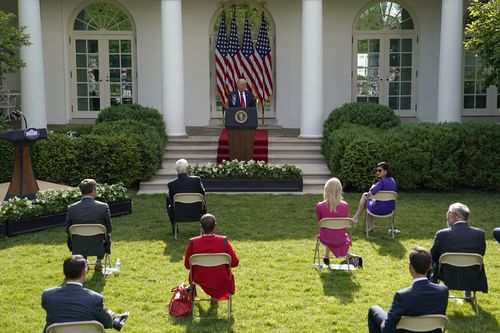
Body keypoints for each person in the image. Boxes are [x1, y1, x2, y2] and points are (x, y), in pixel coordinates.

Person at [367, 247, 448, 333]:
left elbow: (387, 329)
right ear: (429, 267)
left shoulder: (402, 296)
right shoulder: (443, 291)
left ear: (410, 267)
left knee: (374, 310)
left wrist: (385, 322)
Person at [41, 255, 128, 332]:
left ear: (64, 273)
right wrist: (110, 315)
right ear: (84, 273)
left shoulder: (47, 296)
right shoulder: (95, 299)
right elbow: (108, 323)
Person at [430, 203, 488, 296]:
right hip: (472, 274)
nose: (447, 216)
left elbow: (432, 256)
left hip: (447, 274)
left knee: (430, 262)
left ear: (454, 216)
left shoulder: (442, 234)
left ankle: (430, 294)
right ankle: (468, 293)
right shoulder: (480, 234)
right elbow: (481, 253)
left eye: (448, 213)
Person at [184, 214, 239, 304]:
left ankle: (212, 295)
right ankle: (215, 295)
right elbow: (235, 263)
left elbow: (187, 265)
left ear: (201, 227)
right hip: (221, 277)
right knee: (216, 272)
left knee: (206, 273)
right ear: (215, 226)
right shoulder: (223, 241)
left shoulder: (193, 242)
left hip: (199, 278)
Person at [66, 179, 112, 272]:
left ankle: (85, 262)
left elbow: (68, 229)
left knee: (80, 237)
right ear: (93, 190)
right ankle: (99, 261)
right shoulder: (103, 207)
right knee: (104, 235)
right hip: (98, 242)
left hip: (79, 244)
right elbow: (109, 228)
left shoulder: (72, 208)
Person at [352, 162, 397, 232]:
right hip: (389, 210)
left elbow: (371, 192)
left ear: (386, 171)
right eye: (377, 171)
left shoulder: (382, 181)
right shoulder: (393, 181)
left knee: (365, 196)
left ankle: (356, 217)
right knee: (371, 202)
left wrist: (373, 186)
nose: (377, 172)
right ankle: (370, 226)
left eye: (379, 170)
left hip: (378, 209)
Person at [316, 177, 351, 265]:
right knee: (334, 231)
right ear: (340, 190)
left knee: (328, 231)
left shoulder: (320, 206)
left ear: (326, 190)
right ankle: (327, 255)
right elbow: (345, 224)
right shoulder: (345, 206)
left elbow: (320, 223)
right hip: (341, 238)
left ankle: (326, 255)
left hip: (325, 238)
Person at [166, 159, 207, 235]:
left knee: (168, 199)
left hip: (179, 213)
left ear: (176, 170)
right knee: (202, 199)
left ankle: (173, 226)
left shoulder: (171, 184)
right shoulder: (196, 180)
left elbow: (171, 200)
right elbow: (203, 193)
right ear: (187, 168)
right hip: (196, 211)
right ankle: (205, 226)